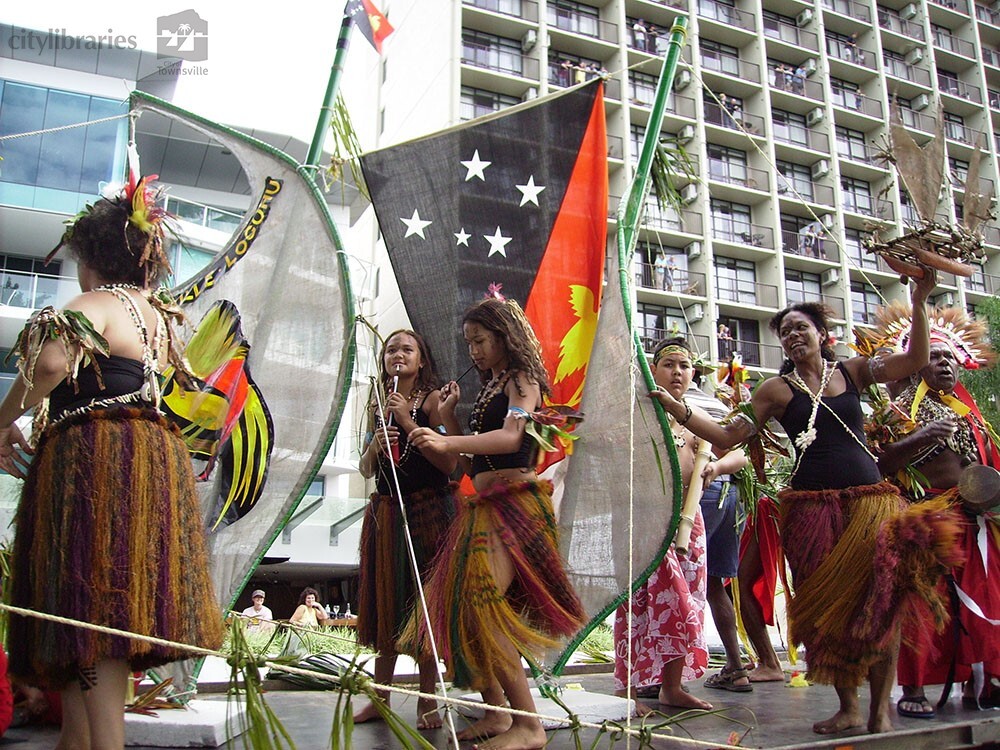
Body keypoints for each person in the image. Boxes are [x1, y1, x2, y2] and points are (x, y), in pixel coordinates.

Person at [649, 269, 968, 736]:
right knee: (824, 608)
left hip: (870, 504)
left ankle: (879, 709)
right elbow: (727, 434)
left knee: (883, 602)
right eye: (785, 332)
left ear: (822, 335)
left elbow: (915, 358)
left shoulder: (855, 372)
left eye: (801, 327)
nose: (793, 335)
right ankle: (849, 708)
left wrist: (918, 298)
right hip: (812, 511)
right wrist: (678, 409)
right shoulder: (776, 391)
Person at [0, 176, 224, 750]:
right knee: (100, 607)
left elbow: (50, 362)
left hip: (95, 462)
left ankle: (104, 745)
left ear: (91, 257)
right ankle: (80, 740)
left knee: (88, 605)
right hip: (144, 462)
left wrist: (1, 421)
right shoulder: (155, 314)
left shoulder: (94, 302)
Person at [407, 293, 585, 750]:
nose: (474, 351)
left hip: (515, 504)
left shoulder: (523, 381)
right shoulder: (490, 386)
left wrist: (448, 442)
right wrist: (447, 419)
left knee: (483, 604)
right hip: (484, 506)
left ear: (504, 336)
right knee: (463, 605)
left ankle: (529, 725)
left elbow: (510, 438)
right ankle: (496, 712)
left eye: (480, 340)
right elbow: (474, 466)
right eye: (469, 343)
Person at [872, 306, 1000, 717]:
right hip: (925, 520)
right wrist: (922, 436)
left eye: (950, 358)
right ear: (916, 363)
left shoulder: (970, 412)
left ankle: (981, 682)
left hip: (974, 522)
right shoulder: (898, 411)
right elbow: (879, 464)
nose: (944, 364)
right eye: (935, 357)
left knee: (987, 600)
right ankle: (914, 687)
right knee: (923, 603)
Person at [353, 329, 457, 730]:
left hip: (429, 511)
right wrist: (375, 446)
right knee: (387, 603)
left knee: (424, 607)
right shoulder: (376, 402)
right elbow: (365, 469)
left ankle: (428, 700)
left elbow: (450, 465)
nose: (397, 354)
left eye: (406, 349)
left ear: (420, 359)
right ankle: (380, 697)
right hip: (387, 514)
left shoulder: (431, 401)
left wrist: (403, 418)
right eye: (391, 349)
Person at [683, 363, 752, 694]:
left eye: (680, 365)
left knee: (679, 581)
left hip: (700, 496)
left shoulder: (682, 406)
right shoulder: (717, 403)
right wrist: (720, 467)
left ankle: (669, 675)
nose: (675, 372)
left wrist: (713, 468)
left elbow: (737, 450)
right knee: (712, 584)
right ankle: (736, 668)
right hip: (730, 494)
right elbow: (741, 451)